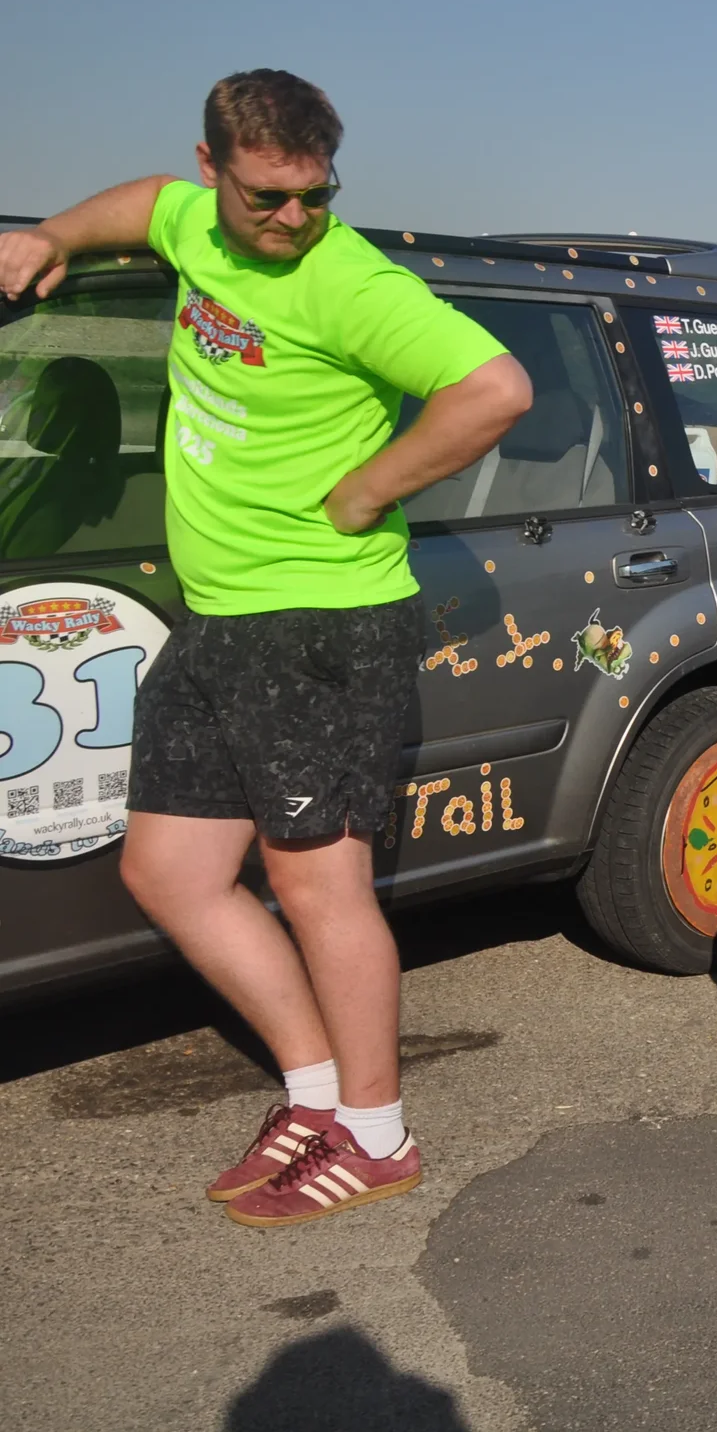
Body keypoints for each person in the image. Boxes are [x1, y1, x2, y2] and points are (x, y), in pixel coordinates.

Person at [0, 70, 530, 1225]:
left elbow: (494, 388)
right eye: (266, 198)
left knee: (315, 883)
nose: (291, 220)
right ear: (213, 168)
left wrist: (362, 493)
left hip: (322, 622)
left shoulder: (349, 281)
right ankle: (314, 1091)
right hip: (221, 617)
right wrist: (46, 234)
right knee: (171, 872)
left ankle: (379, 1136)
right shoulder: (193, 217)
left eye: (313, 195)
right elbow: (139, 208)